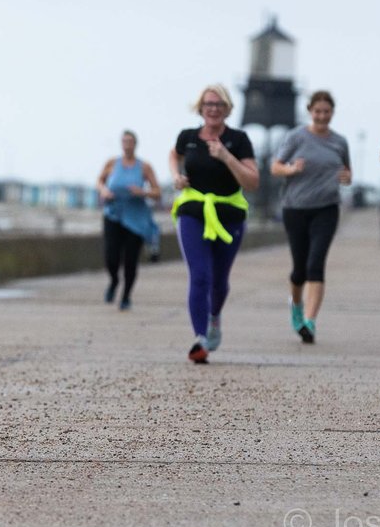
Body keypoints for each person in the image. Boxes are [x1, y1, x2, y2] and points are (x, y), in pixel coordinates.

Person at [169, 85, 259, 363]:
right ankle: (201, 339)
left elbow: (252, 182)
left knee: (219, 281)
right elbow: (174, 154)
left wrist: (226, 157)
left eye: (219, 104)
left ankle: (214, 316)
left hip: (228, 214)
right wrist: (176, 175)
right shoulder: (188, 137)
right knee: (200, 276)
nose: (213, 109)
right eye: (208, 104)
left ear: (228, 108)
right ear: (200, 108)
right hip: (193, 211)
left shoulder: (239, 139)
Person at [270, 91, 351, 344]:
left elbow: (347, 172)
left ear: (332, 113)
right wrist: (291, 169)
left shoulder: (340, 141)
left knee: (316, 264)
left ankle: (310, 321)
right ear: (310, 111)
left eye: (326, 111)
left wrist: (346, 178)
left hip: (327, 209)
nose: (322, 116)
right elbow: (275, 167)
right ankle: (295, 304)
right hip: (295, 208)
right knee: (299, 270)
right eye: (318, 111)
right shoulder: (296, 137)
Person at [97, 130, 162, 310]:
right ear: (121, 143)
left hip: (136, 218)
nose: (127, 144)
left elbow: (157, 192)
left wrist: (142, 192)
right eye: (124, 141)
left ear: (135, 144)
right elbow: (99, 181)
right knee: (111, 256)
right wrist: (103, 191)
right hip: (113, 214)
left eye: (130, 141)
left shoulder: (144, 167)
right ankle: (114, 280)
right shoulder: (112, 163)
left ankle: (126, 296)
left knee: (130, 260)